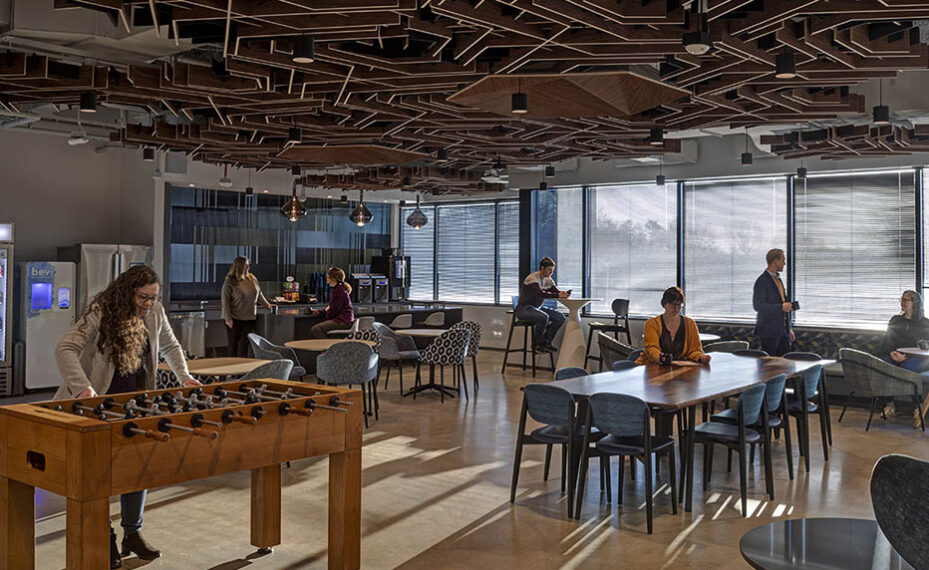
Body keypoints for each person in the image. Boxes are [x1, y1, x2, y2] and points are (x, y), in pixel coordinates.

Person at [54, 265, 200, 569]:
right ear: (127, 292)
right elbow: (65, 348)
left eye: (153, 297)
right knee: (100, 474)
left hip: (136, 403)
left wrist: (184, 376)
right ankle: (103, 535)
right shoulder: (101, 311)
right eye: (143, 297)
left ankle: (132, 534)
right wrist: (83, 388)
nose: (148, 303)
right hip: (97, 404)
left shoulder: (155, 312)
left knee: (138, 469)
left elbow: (171, 345)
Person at [878, 290, 929, 423]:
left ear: (915, 303)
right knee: (883, 365)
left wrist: (905, 357)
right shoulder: (895, 320)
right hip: (895, 354)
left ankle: (917, 405)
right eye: (901, 299)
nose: (902, 302)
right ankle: (889, 404)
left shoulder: (924, 323)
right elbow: (887, 340)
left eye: (906, 300)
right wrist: (892, 353)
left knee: (907, 367)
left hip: (918, 358)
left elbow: (925, 347)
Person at [636, 287, 710, 365]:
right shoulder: (652, 323)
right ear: (664, 304)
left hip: (677, 367)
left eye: (679, 305)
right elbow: (651, 348)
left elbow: (694, 350)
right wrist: (660, 357)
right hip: (652, 365)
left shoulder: (690, 323)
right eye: (673, 305)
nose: (676, 308)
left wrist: (701, 357)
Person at [222, 256, 274, 357]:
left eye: (248, 265)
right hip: (235, 318)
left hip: (250, 317)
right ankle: (231, 370)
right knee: (233, 345)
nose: (248, 267)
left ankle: (242, 369)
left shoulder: (252, 278)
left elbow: (259, 294)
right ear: (239, 267)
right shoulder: (230, 281)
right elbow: (225, 301)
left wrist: (267, 305)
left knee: (245, 344)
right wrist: (228, 318)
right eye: (245, 265)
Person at [515, 257, 569, 353]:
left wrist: (563, 294)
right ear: (542, 268)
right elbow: (539, 294)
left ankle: (545, 341)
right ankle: (537, 344)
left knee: (560, 317)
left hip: (536, 308)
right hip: (524, 309)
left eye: (552, 270)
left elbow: (555, 292)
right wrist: (558, 294)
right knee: (543, 317)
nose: (550, 273)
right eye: (549, 270)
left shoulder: (548, 280)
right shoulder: (532, 278)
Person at [753, 248, 795, 356]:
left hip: (783, 330)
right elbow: (758, 306)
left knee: (785, 363)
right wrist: (781, 307)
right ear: (775, 261)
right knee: (770, 366)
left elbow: (783, 303)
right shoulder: (762, 281)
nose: (784, 263)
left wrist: (789, 328)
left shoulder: (778, 280)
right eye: (783, 260)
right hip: (769, 331)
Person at [308, 267, 354, 338]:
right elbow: (332, 307)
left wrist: (323, 313)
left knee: (316, 329)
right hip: (345, 320)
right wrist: (321, 312)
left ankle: (328, 348)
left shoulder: (338, 291)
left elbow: (334, 310)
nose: (326, 277)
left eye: (328, 275)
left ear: (333, 278)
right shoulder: (339, 289)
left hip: (343, 321)